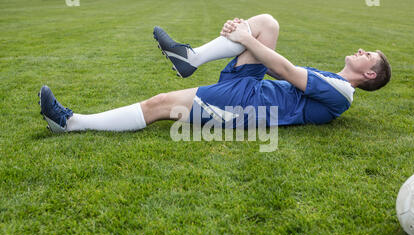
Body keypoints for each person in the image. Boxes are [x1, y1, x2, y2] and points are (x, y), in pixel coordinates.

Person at [38, 14, 391, 133]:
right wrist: (245, 35)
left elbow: (282, 68)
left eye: (368, 55)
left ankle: (72, 123)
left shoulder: (342, 93)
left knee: (160, 104)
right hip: (252, 87)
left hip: (249, 105)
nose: (361, 51)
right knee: (267, 23)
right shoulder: (331, 80)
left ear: (371, 75)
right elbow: (274, 68)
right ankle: (191, 57)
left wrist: (241, 38)